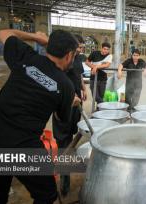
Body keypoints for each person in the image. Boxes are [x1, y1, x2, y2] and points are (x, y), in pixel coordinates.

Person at [0, 29, 80, 204]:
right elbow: (60, 118)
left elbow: (3, 32)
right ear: (69, 55)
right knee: (46, 194)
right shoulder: (65, 85)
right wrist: (70, 101)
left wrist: (38, 38)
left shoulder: (27, 57)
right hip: (22, 146)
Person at [52, 34, 87, 196]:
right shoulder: (60, 60)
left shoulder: (78, 58)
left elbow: (78, 74)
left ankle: (68, 154)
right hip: (63, 105)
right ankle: (64, 179)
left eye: (81, 47)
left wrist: (83, 88)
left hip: (76, 102)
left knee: (73, 133)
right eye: (78, 47)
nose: (80, 50)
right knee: (63, 140)